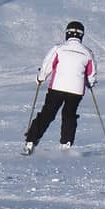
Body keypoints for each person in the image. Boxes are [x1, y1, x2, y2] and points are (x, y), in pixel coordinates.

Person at [23, 20, 96, 154]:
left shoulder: (59, 48)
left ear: (67, 34)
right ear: (81, 35)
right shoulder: (87, 52)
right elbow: (91, 74)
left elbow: (47, 65)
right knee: (69, 115)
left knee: (48, 113)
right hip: (76, 90)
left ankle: (31, 140)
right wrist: (90, 84)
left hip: (57, 87)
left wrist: (40, 78)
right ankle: (66, 143)